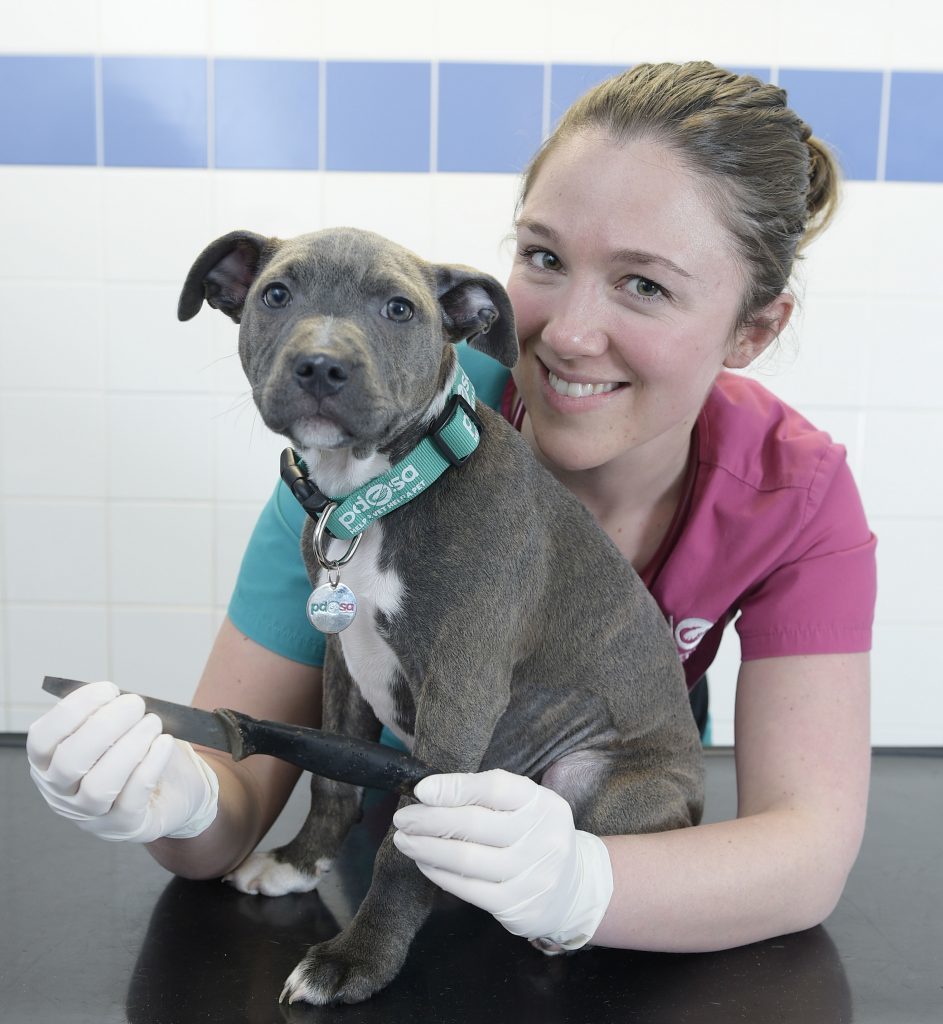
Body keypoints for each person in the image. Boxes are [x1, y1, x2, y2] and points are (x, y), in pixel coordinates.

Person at [27, 62, 875, 954]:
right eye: (544, 257)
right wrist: (169, 795)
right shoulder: (374, 427)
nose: (570, 333)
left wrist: (580, 884)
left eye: (645, 285)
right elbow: (229, 819)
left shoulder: (795, 495)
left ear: (753, 329)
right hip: (401, 837)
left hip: (629, 874)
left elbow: (804, 856)